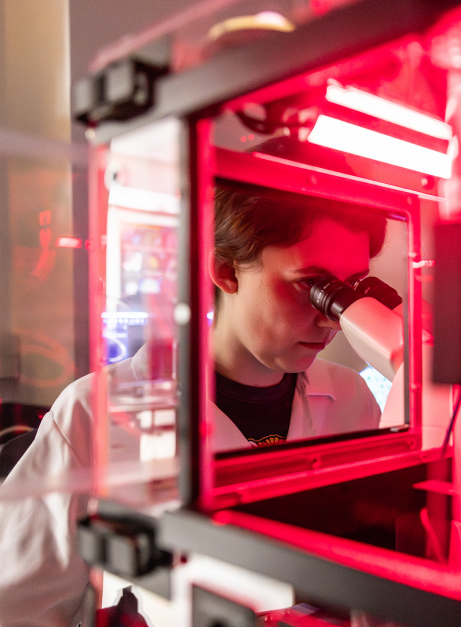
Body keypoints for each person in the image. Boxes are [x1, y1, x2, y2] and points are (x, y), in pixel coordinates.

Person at [0, 184, 388, 626]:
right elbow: (20, 608)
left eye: (349, 290)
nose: (329, 315)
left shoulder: (352, 397)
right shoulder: (96, 413)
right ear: (226, 270)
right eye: (312, 286)